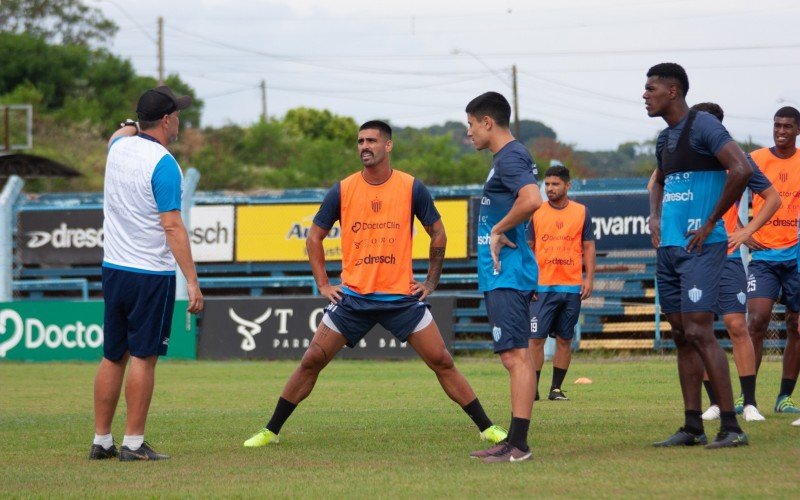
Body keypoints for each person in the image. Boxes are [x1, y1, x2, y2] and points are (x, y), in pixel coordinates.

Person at [243, 120, 508, 450]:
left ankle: (487, 427)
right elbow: (314, 237)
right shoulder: (343, 189)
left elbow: (438, 233)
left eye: (371, 140)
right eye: (359, 141)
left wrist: (430, 280)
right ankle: (270, 431)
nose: (364, 146)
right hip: (353, 298)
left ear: (388, 146)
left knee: (442, 361)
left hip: (400, 298)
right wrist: (324, 284)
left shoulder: (411, 187)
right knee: (311, 360)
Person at [90, 86, 204, 461]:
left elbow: (118, 134)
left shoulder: (118, 149)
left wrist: (128, 126)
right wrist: (191, 280)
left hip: (114, 268)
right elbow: (172, 226)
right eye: (178, 116)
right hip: (149, 274)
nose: (180, 122)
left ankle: (102, 440)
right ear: (168, 120)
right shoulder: (164, 163)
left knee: (112, 355)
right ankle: (134, 444)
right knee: (144, 357)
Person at [645, 63, 752, 448]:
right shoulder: (663, 140)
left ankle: (731, 426)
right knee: (680, 334)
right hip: (670, 248)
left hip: (701, 248)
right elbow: (658, 182)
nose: (645, 94)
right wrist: (655, 217)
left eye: (651, 88)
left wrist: (710, 222)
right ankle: (692, 426)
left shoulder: (704, 125)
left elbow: (740, 168)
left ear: (673, 91)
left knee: (698, 330)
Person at [659, 103, 778, 423]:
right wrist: (655, 220)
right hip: (690, 255)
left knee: (738, 325)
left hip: (726, 255)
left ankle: (749, 402)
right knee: (696, 330)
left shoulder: (737, 160)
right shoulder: (685, 157)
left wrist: (747, 230)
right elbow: (655, 182)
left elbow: (772, 198)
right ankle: (713, 404)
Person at [465, 92, 542, 463]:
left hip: (508, 272)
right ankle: (513, 440)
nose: (469, 133)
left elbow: (531, 199)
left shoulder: (511, 156)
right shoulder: (506, 158)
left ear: (487, 122)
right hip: (501, 273)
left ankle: (519, 445)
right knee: (513, 355)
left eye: (470, 124)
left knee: (516, 356)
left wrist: (498, 229)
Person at [745, 106, 800, 420]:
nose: (781, 131)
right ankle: (747, 397)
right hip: (763, 257)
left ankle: (785, 397)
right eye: (777, 125)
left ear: (797, 130)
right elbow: (726, 193)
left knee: (796, 326)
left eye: (788, 126)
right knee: (757, 321)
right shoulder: (755, 159)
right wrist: (742, 228)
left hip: (796, 256)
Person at [528, 164, 595, 402]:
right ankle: (531, 389)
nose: (550, 188)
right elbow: (530, 248)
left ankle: (555, 389)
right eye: (546, 184)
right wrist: (529, 282)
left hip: (571, 286)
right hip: (542, 286)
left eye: (555, 184)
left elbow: (588, 246)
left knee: (565, 339)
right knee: (536, 339)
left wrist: (589, 278)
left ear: (568, 185)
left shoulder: (581, 212)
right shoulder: (536, 211)